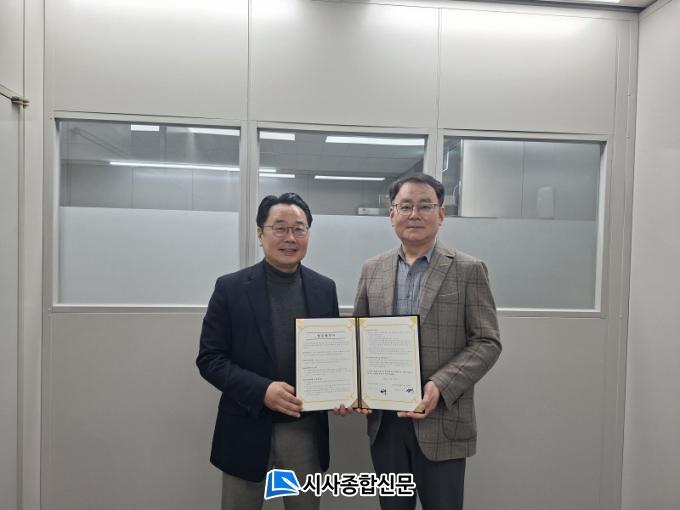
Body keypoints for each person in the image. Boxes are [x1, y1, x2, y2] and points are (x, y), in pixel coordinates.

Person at [353, 174, 501, 510]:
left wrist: (439, 385)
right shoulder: (372, 269)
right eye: (405, 206)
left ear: (441, 214)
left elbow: (487, 341)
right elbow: (358, 337)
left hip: (442, 422)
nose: (414, 214)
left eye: (425, 206)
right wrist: (356, 388)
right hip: (386, 424)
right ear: (392, 214)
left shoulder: (468, 270)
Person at [197, 193, 339, 510]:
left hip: (304, 428)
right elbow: (210, 359)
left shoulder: (324, 288)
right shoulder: (230, 288)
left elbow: (333, 356)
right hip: (246, 425)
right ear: (260, 233)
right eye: (280, 228)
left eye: (299, 229)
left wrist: (342, 392)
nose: (290, 238)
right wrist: (262, 391)